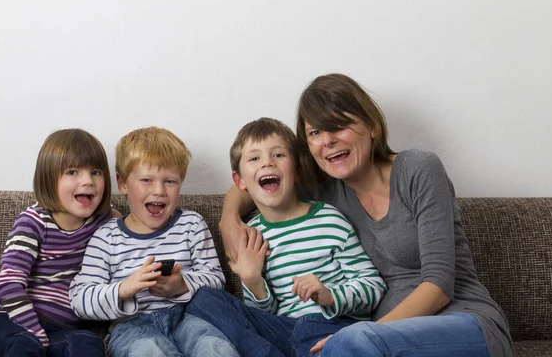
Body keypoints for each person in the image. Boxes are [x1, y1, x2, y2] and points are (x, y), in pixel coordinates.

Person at [219, 74, 515, 357]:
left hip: (462, 323)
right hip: (375, 344)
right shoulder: (329, 191)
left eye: (338, 126)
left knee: (348, 343)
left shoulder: (418, 169)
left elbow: (439, 286)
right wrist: (228, 219)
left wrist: (361, 336)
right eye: (315, 133)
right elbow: (261, 181)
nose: (327, 141)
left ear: (372, 126)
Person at [184, 117, 386, 357]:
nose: (267, 163)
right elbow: (262, 315)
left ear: (297, 171)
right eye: (254, 158)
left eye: (278, 155)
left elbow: (374, 286)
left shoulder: (331, 221)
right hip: (279, 332)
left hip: (329, 328)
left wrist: (329, 295)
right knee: (203, 299)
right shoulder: (251, 234)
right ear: (240, 180)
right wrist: (253, 281)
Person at [69, 126, 239, 357]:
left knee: (215, 346)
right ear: (123, 183)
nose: (159, 191)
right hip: (132, 327)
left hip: (188, 318)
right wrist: (123, 289)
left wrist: (182, 284)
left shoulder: (191, 224)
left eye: (170, 181)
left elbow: (216, 280)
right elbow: (80, 300)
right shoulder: (105, 237)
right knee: (148, 351)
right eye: (147, 180)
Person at [0, 128, 114, 357]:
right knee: (24, 346)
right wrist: (35, 332)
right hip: (10, 319)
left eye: (95, 172)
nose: (88, 181)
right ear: (48, 180)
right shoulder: (34, 222)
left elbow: (133, 231)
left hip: (60, 330)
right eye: (72, 172)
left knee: (87, 343)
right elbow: (8, 283)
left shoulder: (104, 219)